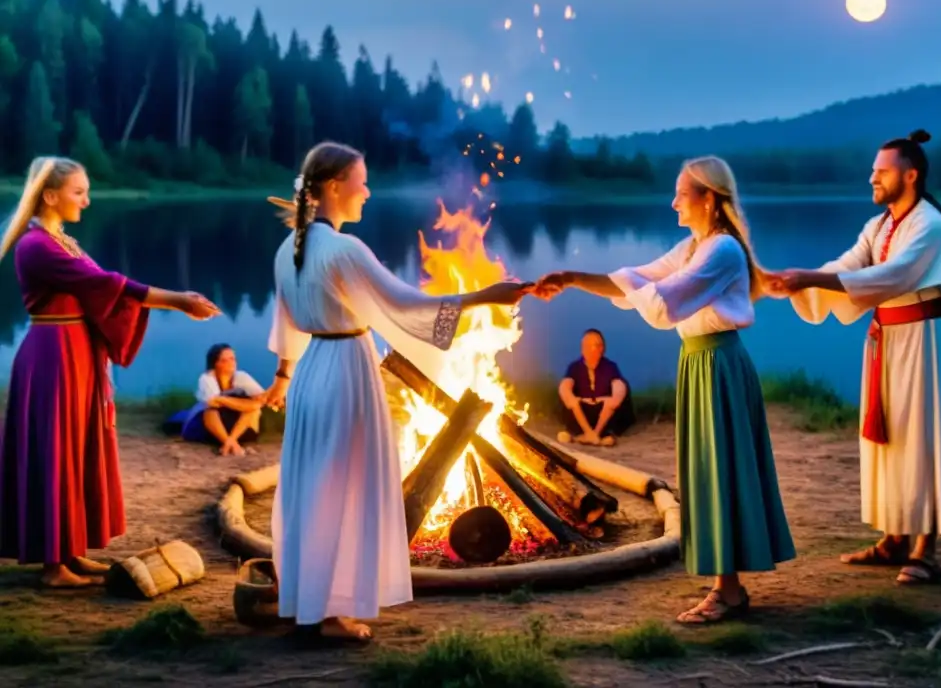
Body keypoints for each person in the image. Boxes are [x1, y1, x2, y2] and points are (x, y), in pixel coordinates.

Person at [260, 142, 530, 642]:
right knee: (341, 487)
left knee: (312, 488)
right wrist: (484, 298)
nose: (368, 191)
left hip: (313, 371)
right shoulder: (343, 250)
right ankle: (329, 614)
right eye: (361, 181)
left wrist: (282, 375)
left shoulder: (291, 246)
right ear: (336, 186)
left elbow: (286, 320)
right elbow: (405, 305)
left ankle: (305, 598)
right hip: (343, 372)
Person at [532, 155, 795, 625]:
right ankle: (726, 587)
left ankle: (727, 591)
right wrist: (572, 279)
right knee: (704, 470)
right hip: (697, 361)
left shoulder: (723, 252)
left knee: (722, 470)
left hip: (719, 362)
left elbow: (660, 307)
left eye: (681, 193)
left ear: (708, 199)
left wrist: (630, 282)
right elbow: (637, 279)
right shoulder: (694, 247)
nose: (673, 201)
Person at [0, 156, 220, 589]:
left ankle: (70, 551)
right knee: (56, 451)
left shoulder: (60, 239)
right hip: (53, 358)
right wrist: (178, 300)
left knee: (76, 447)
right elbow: (111, 286)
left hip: (75, 354)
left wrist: (174, 299)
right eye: (78, 192)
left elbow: (104, 285)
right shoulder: (38, 246)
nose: (87, 200)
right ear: (50, 196)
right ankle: (53, 567)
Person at [766, 129, 941, 585]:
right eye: (873, 170)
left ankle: (925, 550)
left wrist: (809, 278)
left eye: (881, 171)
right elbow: (851, 264)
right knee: (889, 437)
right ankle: (894, 537)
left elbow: (892, 276)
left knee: (923, 438)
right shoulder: (879, 226)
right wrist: (796, 279)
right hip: (887, 339)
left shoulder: (930, 225)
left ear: (911, 175)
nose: (872, 178)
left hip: (923, 340)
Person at [167, 343, 266, 456]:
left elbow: (260, 401)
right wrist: (243, 403)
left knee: (254, 410)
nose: (231, 363)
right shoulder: (207, 379)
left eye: (233, 359)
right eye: (225, 360)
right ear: (215, 363)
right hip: (212, 432)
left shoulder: (241, 377)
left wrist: (222, 400)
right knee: (209, 411)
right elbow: (211, 402)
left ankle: (230, 443)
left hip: (243, 431)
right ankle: (230, 444)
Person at [557, 328, 635, 447]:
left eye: (599, 345)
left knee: (613, 404)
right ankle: (591, 435)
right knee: (572, 403)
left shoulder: (610, 367)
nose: (597, 349)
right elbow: (566, 387)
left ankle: (592, 435)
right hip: (583, 412)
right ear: (583, 348)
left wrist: (610, 399)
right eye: (592, 345)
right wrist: (572, 399)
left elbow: (618, 387)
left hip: (602, 413)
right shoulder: (575, 367)